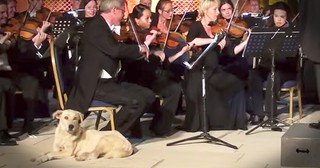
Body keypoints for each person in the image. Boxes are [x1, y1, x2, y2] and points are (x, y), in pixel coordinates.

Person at [65, 0, 156, 137]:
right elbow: (114, 50)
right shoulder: (96, 26)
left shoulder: (103, 26)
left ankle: (109, 131)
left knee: (148, 96)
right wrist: (139, 48)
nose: (124, 16)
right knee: (137, 101)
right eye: (122, 12)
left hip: (109, 81)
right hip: (94, 84)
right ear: (114, 10)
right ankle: (108, 136)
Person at [120, 4, 193, 136]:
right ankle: (132, 128)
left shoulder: (148, 37)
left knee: (174, 88)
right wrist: (149, 48)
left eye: (150, 18)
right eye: (147, 18)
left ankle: (160, 127)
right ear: (136, 20)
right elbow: (134, 63)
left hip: (150, 77)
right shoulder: (129, 39)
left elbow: (161, 63)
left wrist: (161, 55)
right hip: (134, 79)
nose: (150, 21)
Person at [182, 0, 248, 132]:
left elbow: (231, 52)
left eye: (218, 10)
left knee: (237, 84)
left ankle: (237, 122)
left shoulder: (219, 29)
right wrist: (213, 40)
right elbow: (191, 41)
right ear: (205, 11)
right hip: (198, 70)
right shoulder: (196, 26)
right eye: (215, 10)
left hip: (214, 69)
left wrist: (246, 41)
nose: (218, 13)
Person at [246, 1, 297, 124]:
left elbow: (291, 57)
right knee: (253, 75)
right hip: (267, 65)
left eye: (282, 17)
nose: (279, 19)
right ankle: (258, 113)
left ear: (287, 18)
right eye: (276, 16)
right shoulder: (266, 31)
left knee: (272, 77)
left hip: (284, 68)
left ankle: (271, 115)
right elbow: (258, 51)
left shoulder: (291, 32)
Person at [9, 0, 52, 135]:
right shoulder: (15, 23)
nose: (9, 12)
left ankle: (28, 124)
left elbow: (36, 54)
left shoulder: (28, 23)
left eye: (12, 8)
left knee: (32, 81)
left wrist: (37, 42)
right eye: (5, 10)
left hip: (22, 69)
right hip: (8, 68)